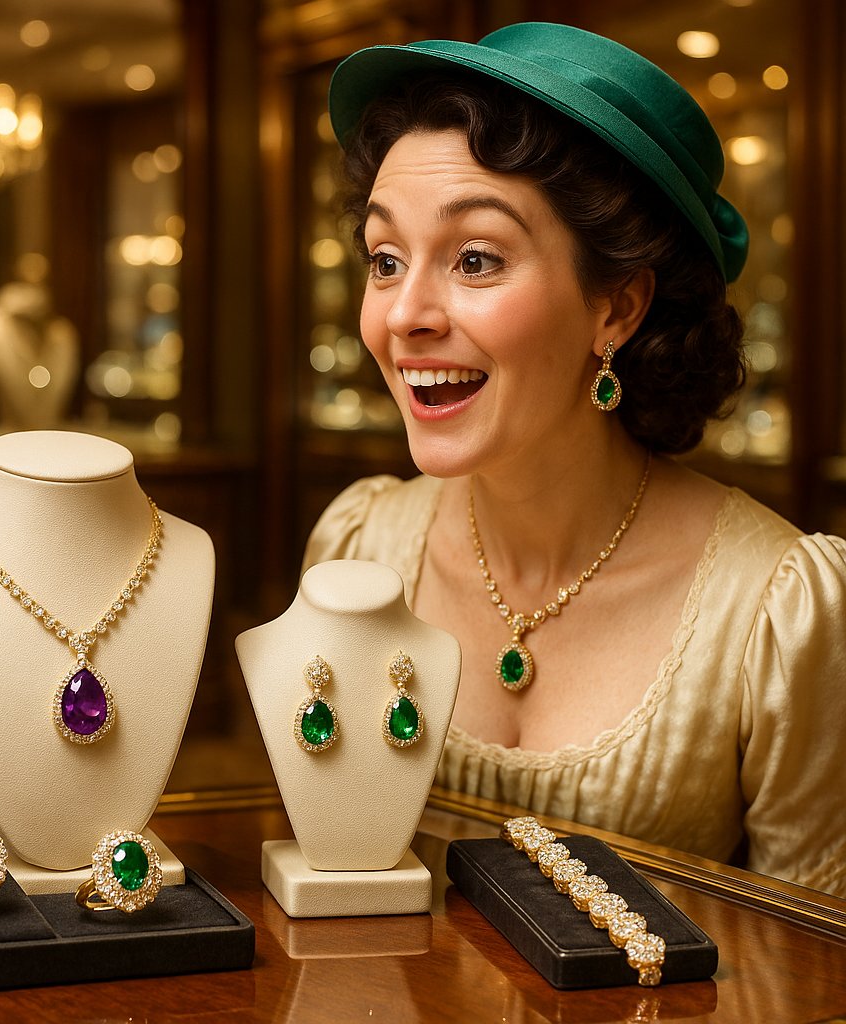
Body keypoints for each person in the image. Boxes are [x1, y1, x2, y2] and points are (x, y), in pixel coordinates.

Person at [302, 22, 846, 896]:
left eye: (475, 259)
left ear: (618, 307)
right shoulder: (355, 551)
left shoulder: (778, 611)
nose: (405, 316)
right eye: (385, 259)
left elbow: (816, 972)